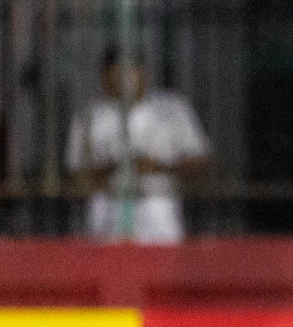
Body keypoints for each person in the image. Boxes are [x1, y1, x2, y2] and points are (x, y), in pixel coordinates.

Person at [65, 49, 209, 244]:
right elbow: (75, 174)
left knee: (161, 268)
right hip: (107, 210)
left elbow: (200, 162)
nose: (123, 83)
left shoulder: (172, 109)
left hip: (158, 206)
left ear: (143, 73)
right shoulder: (89, 116)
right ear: (104, 78)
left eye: (129, 73)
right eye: (115, 76)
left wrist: (158, 166)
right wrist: (117, 166)